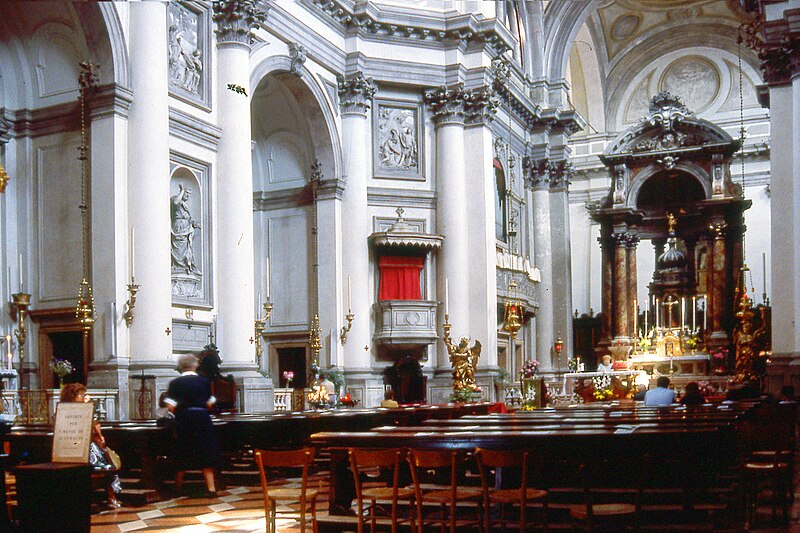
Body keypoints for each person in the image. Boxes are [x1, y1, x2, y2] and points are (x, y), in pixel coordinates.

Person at [165, 353, 220, 497]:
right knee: (206, 452)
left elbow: (170, 406)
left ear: (180, 366)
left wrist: (181, 411)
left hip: (184, 420)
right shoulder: (204, 381)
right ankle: (211, 489)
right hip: (202, 419)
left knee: (182, 452)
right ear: (195, 365)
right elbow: (210, 402)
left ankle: (177, 488)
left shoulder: (175, 383)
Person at [60, 383, 122, 508]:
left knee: (106, 464)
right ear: (72, 396)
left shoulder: (87, 409)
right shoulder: (63, 411)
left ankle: (111, 497)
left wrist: (99, 436)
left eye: (83, 394)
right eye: (80, 394)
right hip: (71, 444)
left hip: (87, 444)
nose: (83, 397)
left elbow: (96, 431)